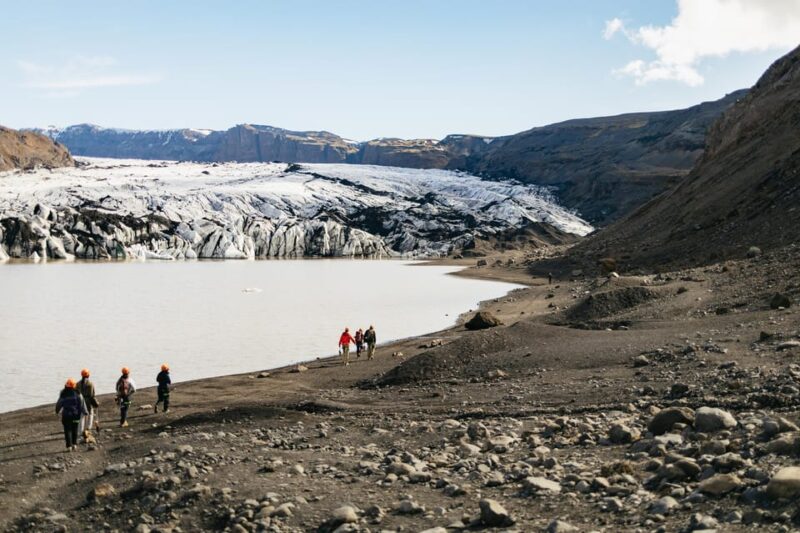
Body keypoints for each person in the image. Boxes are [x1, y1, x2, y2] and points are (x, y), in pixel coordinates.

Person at [55, 378, 87, 452]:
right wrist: (85, 412)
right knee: (75, 429)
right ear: (74, 386)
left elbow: (59, 404)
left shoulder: (63, 394)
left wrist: (57, 411)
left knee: (67, 430)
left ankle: (69, 446)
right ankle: (74, 444)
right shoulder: (78, 394)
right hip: (76, 415)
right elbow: (82, 403)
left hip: (66, 416)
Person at [77, 368, 98, 441]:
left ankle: (80, 432)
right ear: (88, 375)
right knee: (90, 414)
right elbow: (92, 396)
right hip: (88, 402)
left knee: (81, 416)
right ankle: (88, 429)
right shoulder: (90, 384)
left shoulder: (78, 383)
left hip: (80, 402)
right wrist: (96, 403)